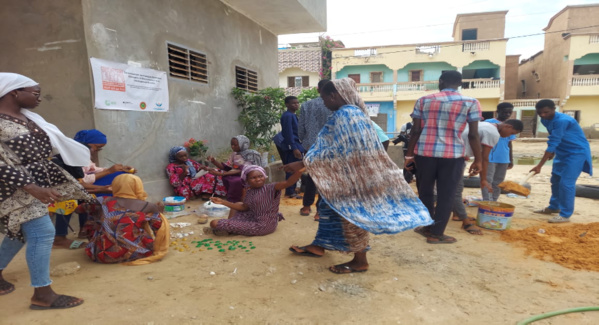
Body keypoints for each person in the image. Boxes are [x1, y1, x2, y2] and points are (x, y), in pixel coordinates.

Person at [285, 78, 432, 274]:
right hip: (345, 175)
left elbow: (337, 150)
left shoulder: (346, 115)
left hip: (350, 178)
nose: (324, 103)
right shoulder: (354, 114)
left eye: (324, 98)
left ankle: (360, 261)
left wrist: (302, 163)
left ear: (334, 95)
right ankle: (319, 245)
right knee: (328, 209)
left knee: (351, 216)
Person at [0, 72, 90, 309]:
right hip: (11, 186)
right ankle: (42, 294)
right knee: (41, 232)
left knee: (18, 232)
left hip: (36, 184)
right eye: (35, 93)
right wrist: (30, 186)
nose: (39, 98)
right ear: (14, 92)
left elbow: (42, 155)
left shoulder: (29, 118)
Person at [405, 71, 482, 244]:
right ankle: (436, 233)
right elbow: (473, 135)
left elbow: (415, 131)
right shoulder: (471, 102)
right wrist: (478, 159)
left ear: (440, 82)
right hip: (452, 155)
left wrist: (409, 155)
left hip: (424, 153)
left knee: (425, 192)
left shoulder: (423, 100)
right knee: (446, 195)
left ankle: (427, 227)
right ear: (460, 84)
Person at [452, 120, 524, 235]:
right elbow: (485, 158)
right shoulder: (493, 133)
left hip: (457, 156)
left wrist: (476, 162)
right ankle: (465, 222)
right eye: (511, 133)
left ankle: (457, 214)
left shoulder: (484, 125)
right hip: (454, 158)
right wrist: (483, 179)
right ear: (507, 126)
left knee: (456, 188)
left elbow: (477, 151)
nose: (509, 136)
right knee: (456, 190)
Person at [530, 99, 593, 223]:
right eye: (540, 113)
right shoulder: (545, 120)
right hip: (562, 152)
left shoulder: (563, 121)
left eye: (546, 112)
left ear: (554, 109)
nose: (543, 115)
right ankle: (554, 207)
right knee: (556, 180)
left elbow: (554, 141)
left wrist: (539, 166)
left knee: (566, 183)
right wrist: (553, 152)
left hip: (576, 153)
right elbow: (553, 138)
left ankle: (565, 214)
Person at [83, 174, 169, 264]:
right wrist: (158, 211)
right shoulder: (148, 206)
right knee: (151, 221)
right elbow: (158, 228)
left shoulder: (101, 201)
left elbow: (79, 209)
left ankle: (97, 242)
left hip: (102, 256)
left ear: (114, 186)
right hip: (139, 252)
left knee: (93, 213)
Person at [204, 165, 302, 236]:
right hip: (253, 217)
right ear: (247, 180)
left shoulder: (272, 187)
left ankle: (229, 227)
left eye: (260, 176)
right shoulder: (249, 191)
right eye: (253, 178)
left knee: (214, 223)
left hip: (263, 225)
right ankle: (230, 226)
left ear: (264, 176)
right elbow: (244, 207)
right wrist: (222, 202)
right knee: (238, 203)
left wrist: (300, 170)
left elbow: (288, 182)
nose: (258, 179)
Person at [298, 79, 332, 219]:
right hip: (329, 147)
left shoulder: (306, 105)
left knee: (311, 177)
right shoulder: (334, 105)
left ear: (318, 89)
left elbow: (300, 128)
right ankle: (320, 211)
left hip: (310, 146)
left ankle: (306, 207)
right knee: (326, 179)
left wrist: (303, 141)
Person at [207, 135, 262, 203]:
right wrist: (214, 161)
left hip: (246, 175)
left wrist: (222, 173)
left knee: (236, 181)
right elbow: (227, 167)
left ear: (243, 144)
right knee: (220, 177)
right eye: (231, 144)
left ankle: (236, 201)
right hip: (234, 173)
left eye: (235, 145)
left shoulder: (250, 155)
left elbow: (243, 170)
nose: (232, 146)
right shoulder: (234, 154)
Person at [482, 102, 516, 201]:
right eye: (505, 112)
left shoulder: (511, 125)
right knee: (487, 180)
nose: (507, 115)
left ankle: (494, 200)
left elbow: (509, 143)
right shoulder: (489, 123)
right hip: (489, 157)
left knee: (498, 182)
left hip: (504, 158)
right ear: (498, 112)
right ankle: (487, 200)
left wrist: (510, 159)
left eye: (509, 113)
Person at [280, 96, 304, 199]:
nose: (296, 105)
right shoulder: (288, 116)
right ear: (287, 104)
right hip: (292, 146)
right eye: (293, 103)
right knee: (292, 169)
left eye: (297, 103)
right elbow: (288, 133)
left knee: (295, 169)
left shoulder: (293, 115)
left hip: (296, 144)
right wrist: (294, 148)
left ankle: (292, 189)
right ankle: (290, 191)